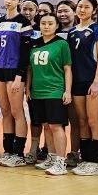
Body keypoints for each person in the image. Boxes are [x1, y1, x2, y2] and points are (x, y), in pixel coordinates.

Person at [26, 12, 73, 175]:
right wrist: (28, 88)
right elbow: (30, 69)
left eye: (50, 23)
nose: (46, 26)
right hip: (37, 92)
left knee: (56, 126)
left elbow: (67, 68)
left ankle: (61, 162)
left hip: (55, 90)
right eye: (43, 23)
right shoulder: (35, 44)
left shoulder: (62, 44)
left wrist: (67, 91)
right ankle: (51, 158)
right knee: (46, 125)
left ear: (57, 26)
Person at [0, 0, 32, 167]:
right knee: (5, 112)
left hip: (14, 70)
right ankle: (8, 151)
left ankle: (19, 153)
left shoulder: (23, 22)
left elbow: (25, 52)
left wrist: (19, 75)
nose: (8, 1)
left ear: (19, 2)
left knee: (17, 112)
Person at [68, 0, 98, 175]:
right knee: (82, 121)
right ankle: (85, 159)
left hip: (92, 82)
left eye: (86, 7)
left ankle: (95, 161)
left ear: (94, 10)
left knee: (93, 120)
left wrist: (97, 81)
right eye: (80, 6)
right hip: (77, 82)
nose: (82, 10)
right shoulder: (72, 32)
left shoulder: (97, 30)